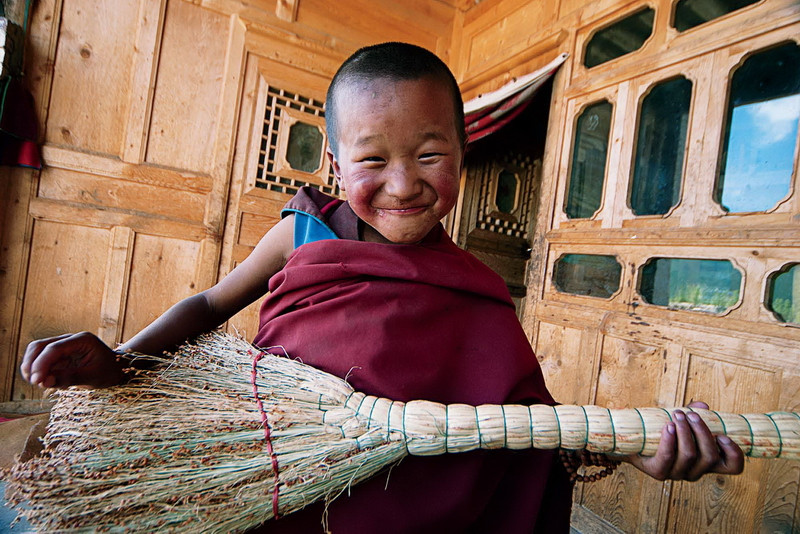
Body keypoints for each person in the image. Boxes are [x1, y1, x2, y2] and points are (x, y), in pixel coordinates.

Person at [20, 42, 743, 533]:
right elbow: (209, 305)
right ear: (336, 164)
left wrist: (639, 446)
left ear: (462, 154)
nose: (403, 184)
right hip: (289, 495)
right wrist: (121, 360)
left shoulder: (476, 291)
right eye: (372, 160)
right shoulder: (304, 234)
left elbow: (527, 428)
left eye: (431, 154)